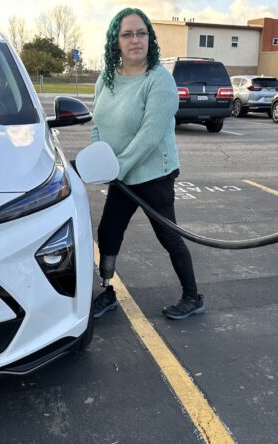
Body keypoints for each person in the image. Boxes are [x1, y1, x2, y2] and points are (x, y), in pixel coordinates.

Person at [89, 8, 205, 321]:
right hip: (121, 176)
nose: (135, 40)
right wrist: (98, 159)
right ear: (116, 41)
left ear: (150, 39)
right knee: (109, 232)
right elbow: (98, 123)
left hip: (155, 175)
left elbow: (149, 137)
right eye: (127, 34)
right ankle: (108, 289)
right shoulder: (107, 79)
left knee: (168, 236)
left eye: (141, 33)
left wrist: (117, 167)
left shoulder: (159, 81)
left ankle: (192, 296)